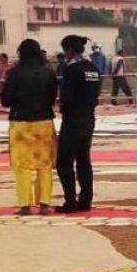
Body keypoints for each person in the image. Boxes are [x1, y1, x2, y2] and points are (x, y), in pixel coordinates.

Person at [0, 39, 59, 216]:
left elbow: (5, 100)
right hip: (44, 122)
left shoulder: (14, 73)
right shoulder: (48, 73)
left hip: (20, 123)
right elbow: (51, 98)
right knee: (45, 165)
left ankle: (25, 204)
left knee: (21, 165)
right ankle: (45, 204)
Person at [55, 35, 101, 213]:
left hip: (73, 120)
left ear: (69, 50)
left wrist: (62, 105)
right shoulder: (93, 69)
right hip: (89, 119)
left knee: (64, 162)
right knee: (84, 160)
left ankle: (70, 202)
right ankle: (85, 200)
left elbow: (67, 97)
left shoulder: (71, 70)